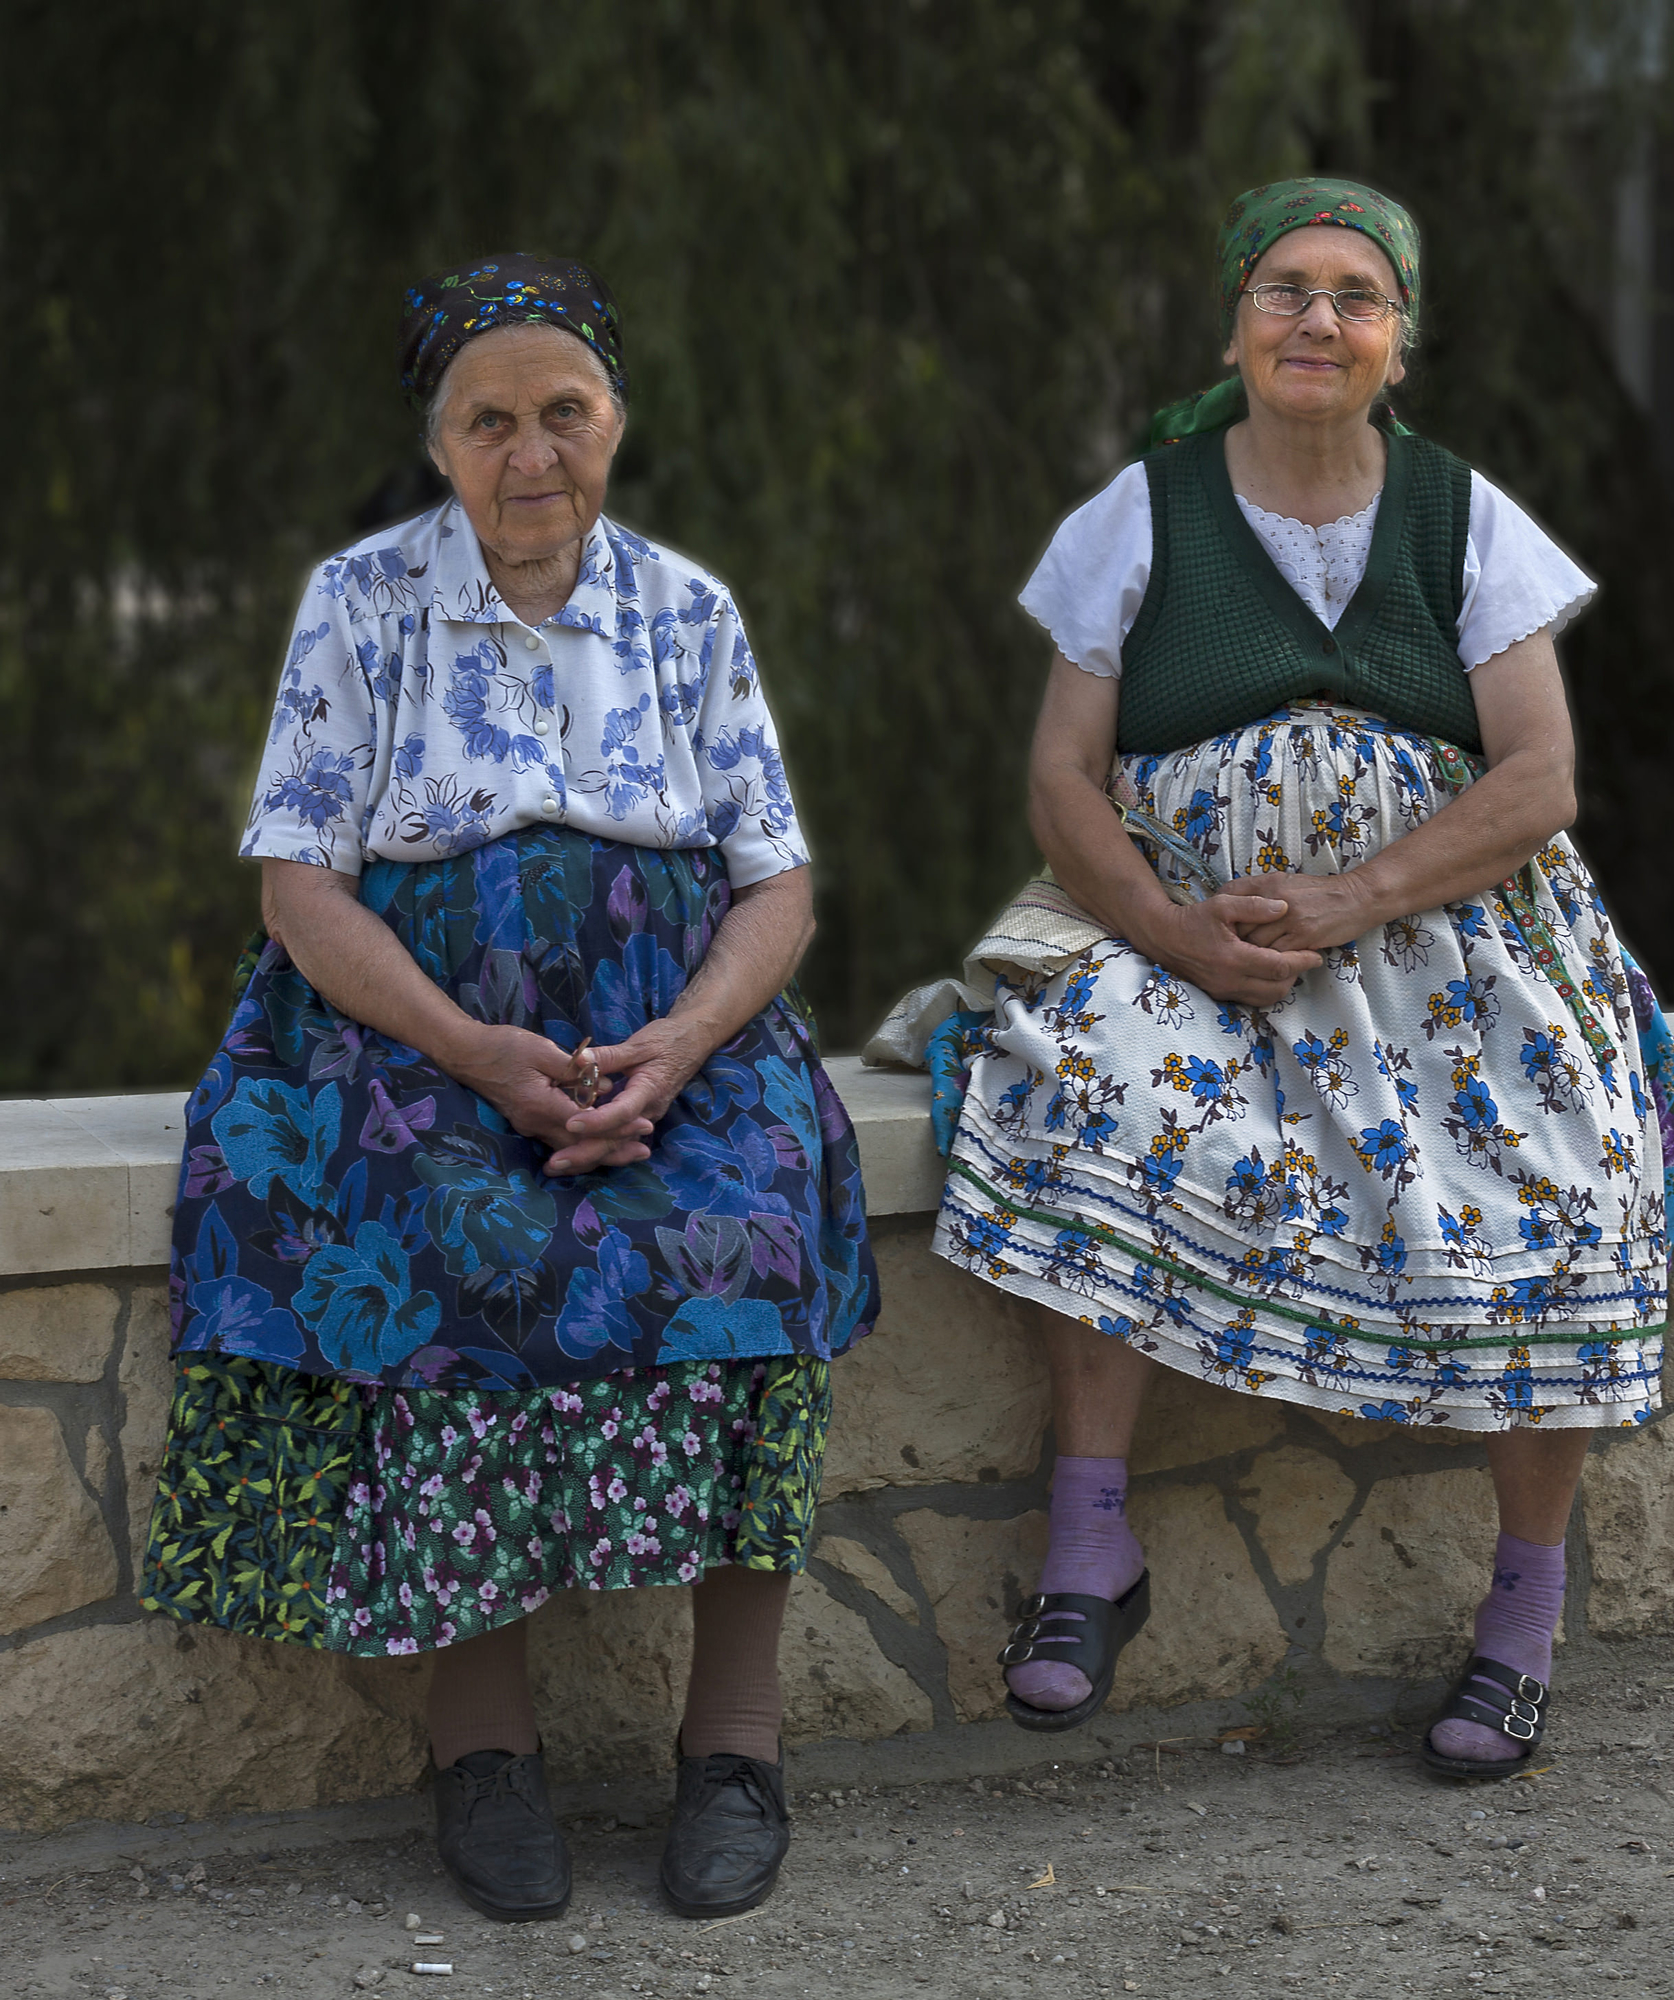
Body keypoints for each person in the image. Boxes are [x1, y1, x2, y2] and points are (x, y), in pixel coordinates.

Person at [918, 180, 1674, 1777]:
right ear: (1236, 321)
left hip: (1451, 931)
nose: (1318, 321)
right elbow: (1065, 780)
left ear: (1398, 343)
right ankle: (1089, 1552)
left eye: (1357, 296)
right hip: (1189, 925)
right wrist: (1174, 930)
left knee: (1579, 1163)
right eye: (1288, 290)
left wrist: (1355, 895)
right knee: (1088, 1081)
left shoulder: (1467, 519)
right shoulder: (1136, 515)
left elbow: (1542, 775)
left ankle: (1523, 1614)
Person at [139, 254, 879, 1920]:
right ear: (439, 441)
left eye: (566, 412)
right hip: (412, 1028)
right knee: (457, 1238)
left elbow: (776, 883)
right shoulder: (363, 600)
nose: (531, 451)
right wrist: (473, 1052)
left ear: (616, 420)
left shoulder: (686, 610)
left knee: (758, 1230)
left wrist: (684, 1045)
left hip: (662, 1021)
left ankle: (737, 1749)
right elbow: (301, 888)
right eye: (492, 419)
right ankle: (485, 1753)